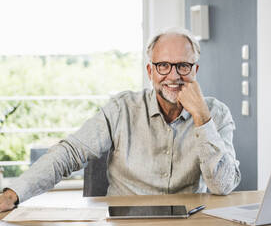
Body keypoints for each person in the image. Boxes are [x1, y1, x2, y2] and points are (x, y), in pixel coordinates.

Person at [0, 27, 241, 212]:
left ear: (195, 71)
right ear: (150, 71)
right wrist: (13, 194)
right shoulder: (122, 109)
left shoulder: (216, 114)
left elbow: (223, 186)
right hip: (124, 224)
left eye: (183, 66)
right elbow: (70, 153)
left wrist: (201, 118)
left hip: (189, 225)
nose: (173, 75)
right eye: (163, 66)